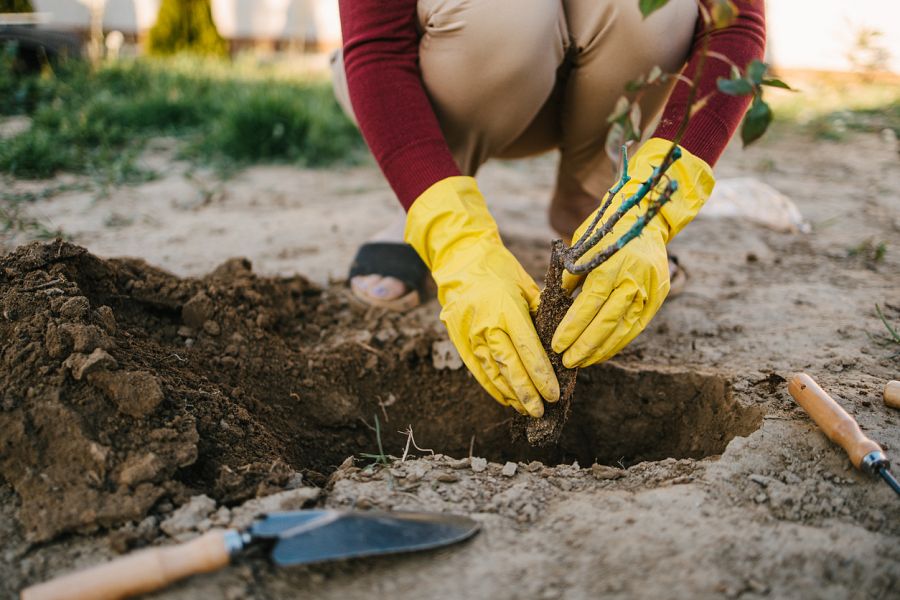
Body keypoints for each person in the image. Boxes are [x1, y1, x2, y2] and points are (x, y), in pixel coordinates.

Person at [332, 0, 765, 418]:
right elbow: (378, 49)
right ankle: (430, 203)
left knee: (658, 9)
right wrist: (458, 243)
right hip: (444, 71)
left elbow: (734, 24)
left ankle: (595, 197)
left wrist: (650, 209)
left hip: (585, 79)